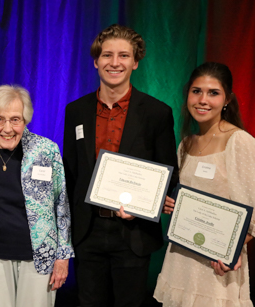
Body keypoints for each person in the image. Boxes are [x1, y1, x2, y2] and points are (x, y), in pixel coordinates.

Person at [63, 24, 179, 307]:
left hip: (133, 233)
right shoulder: (75, 110)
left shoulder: (157, 113)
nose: (115, 63)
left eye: (124, 56)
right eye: (107, 55)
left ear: (135, 62)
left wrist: (145, 206)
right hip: (87, 231)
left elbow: (168, 171)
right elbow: (70, 172)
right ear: (96, 61)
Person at [154, 62, 255, 306]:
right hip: (181, 259)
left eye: (213, 93)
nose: (203, 100)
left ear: (227, 99)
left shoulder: (239, 141)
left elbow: (252, 209)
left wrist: (232, 250)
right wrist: (173, 205)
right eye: (196, 91)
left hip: (217, 264)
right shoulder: (186, 144)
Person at [0, 85, 75, 307]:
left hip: (39, 258)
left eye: (15, 119)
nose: (7, 128)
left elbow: (61, 205)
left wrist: (63, 256)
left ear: (25, 121)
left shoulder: (46, 150)